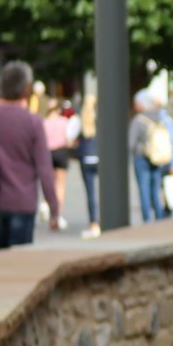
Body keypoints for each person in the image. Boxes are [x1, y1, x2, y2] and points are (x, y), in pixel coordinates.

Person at [0, 61, 60, 249]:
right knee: (20, 265)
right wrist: (53, 208)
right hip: (22, 201)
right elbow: (44, 169)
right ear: (26, 89)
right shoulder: (32, 122)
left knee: (0, 259)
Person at [130, 87, 173, 222]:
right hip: (158, 158)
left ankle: (147, 220)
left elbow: (131, 142)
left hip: (142, 158)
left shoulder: (139, 120)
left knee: (144, 189)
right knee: (155, 189)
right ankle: (159, 217)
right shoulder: (160, 118)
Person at [76, 93, 102, 238]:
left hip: (86, 158)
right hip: (99, 157)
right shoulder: (101, 117)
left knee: (90, 192)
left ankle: (94, 223)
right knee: (104, 191)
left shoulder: (81, 120)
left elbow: (70, 135)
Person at [43, 101, 72, 231]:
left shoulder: (44, 122)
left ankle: (48, 207)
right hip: (61, 152)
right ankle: (57, 214)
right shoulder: (64, 122)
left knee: (50, 183)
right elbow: (69, 139)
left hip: (48, 152)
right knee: (60, 185)